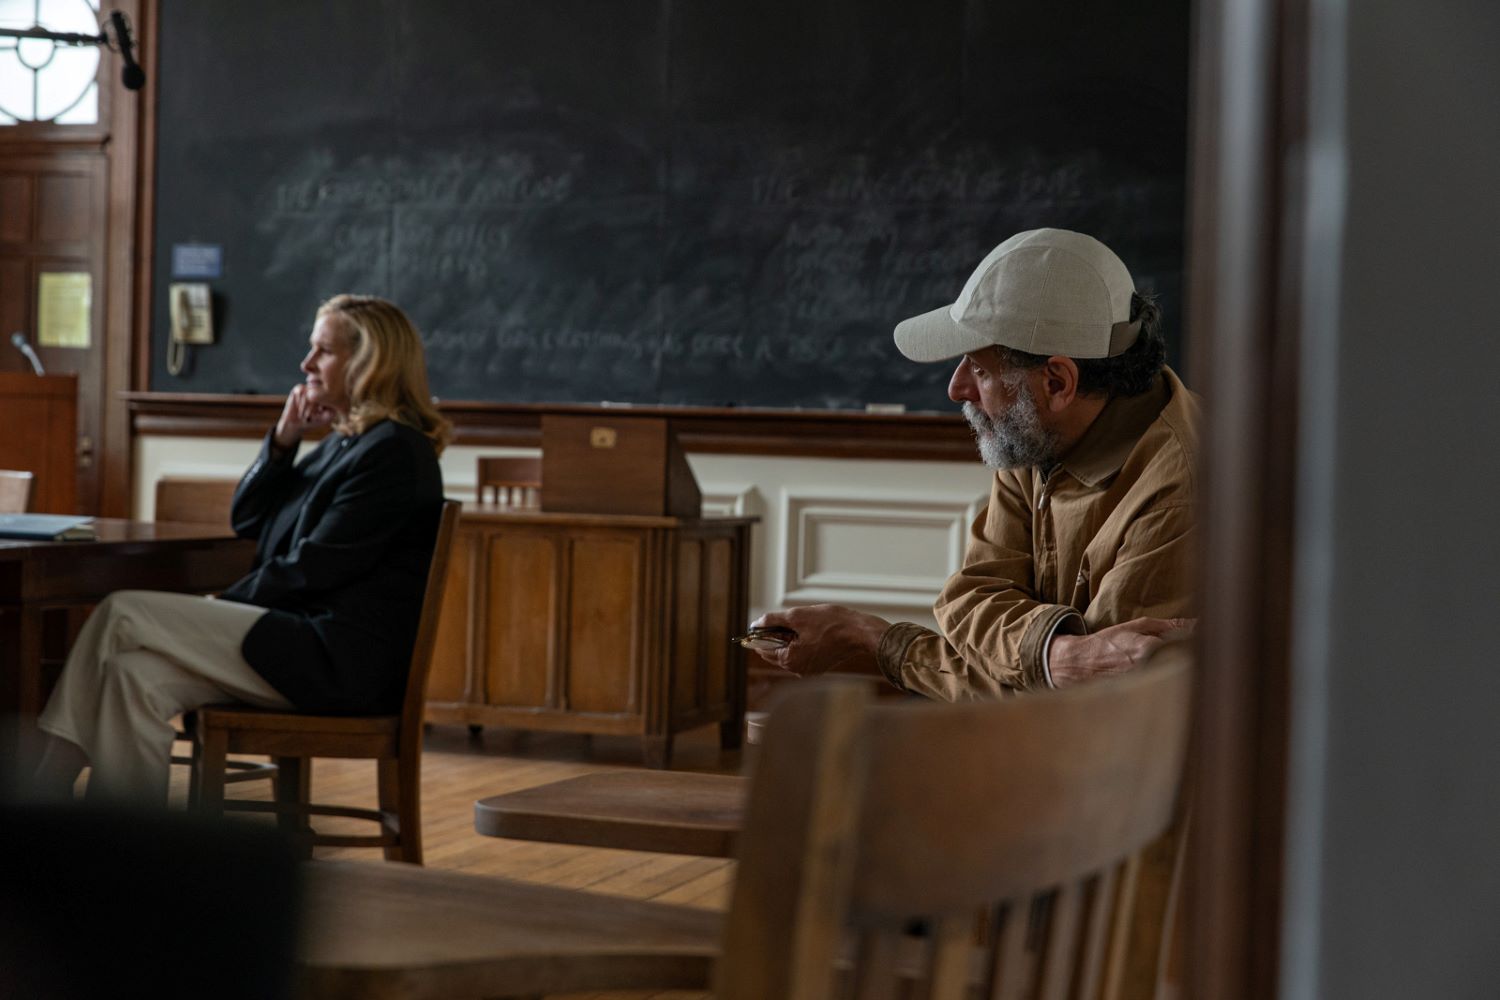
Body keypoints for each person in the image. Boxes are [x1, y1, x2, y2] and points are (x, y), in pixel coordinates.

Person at [31, 294, 451, 802]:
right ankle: (125, 842)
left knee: (121, 611)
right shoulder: (346, 442)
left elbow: (313, 568)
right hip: (295, 642)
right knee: (131, 677)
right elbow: (249, 518)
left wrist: (222, 605)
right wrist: (284, 439)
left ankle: (45, 786)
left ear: (369, 363)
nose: (306, 364)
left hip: (334, 660)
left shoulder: (393, 452)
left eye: (323, 351)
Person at [750, 228, 1200, 699]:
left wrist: (870, 637)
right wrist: (1055, 654)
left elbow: (1075, 704)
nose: (956, 388)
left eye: (980, 368)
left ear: (1057, 382)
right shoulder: (1038, 433)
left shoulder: (1181, 490)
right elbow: (969, 600)